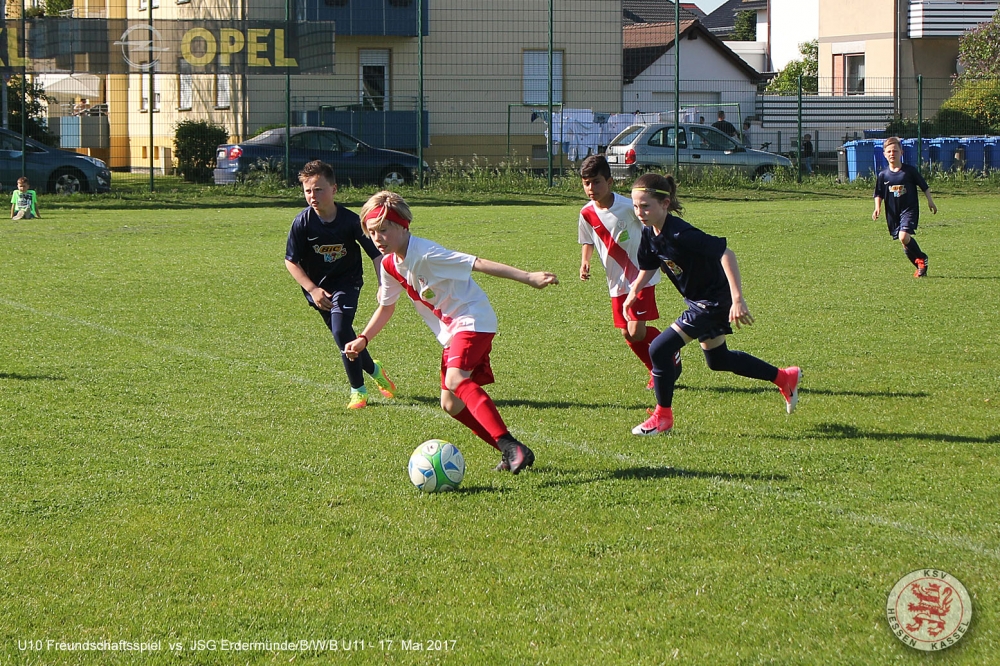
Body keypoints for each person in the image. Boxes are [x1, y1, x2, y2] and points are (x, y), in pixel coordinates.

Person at [344, 191, 558, 474]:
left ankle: (509, 445)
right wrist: (363, 338)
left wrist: (528, 277)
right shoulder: (388, 265)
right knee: (450, 404)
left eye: (384, 230)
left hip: (472, 318)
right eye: (372, 232)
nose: (377, 238)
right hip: (453, 329)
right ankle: (511, 452)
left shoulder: (426, 253)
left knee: (456, 380)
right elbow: (386, 307)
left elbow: (476, 263)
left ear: (403, 225)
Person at [623, 173, 801, 436]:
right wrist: (634, 291)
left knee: (659, 349)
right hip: (699, 300)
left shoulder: (681, 233)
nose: (640, 212)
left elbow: (726, 254)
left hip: (713, 302)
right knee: (718, 360)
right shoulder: (650, 233)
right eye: (636, 206)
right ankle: (784, 377)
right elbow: (649, 265)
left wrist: (738, 299)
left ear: (665, 204)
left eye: (646, 206)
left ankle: (662, 417)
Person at [284, 160, 396, 410]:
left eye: (318, 189)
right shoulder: (302, 223)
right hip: (319, 290)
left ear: (334, 189)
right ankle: (375, 370)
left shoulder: (350, 221)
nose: (312, 196)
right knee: (344, 335)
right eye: (308, 191)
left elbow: (376, 254)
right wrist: (312, 289)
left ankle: (358, 391)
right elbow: (291, 261)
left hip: (347, 282)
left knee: (340, 329)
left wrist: (383, 284)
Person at [578, 154, 679, 389]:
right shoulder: (586, 213)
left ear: (609, 181)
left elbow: (654, 226)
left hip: (641, 275)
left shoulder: (628, 207)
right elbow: (587, 240)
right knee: (627, 333)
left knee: (637, 331)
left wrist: (663, 257)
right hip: (615, 279)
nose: (591, 188)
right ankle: (655, 369)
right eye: (586, 183)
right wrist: (585, 261)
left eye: (596, 182)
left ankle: (669, 351)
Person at [872, 136, 937, 278]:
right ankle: (920, 267)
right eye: (889, 151)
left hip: (909, 209)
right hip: (893, 213)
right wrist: (877, 208)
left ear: (901, 152)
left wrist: (930, 201)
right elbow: (878, 193)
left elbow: (924, 186)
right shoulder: (883, 175)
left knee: (903, 237)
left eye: (895, 151)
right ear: (884, 154)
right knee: (904, 243)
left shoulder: (909, 171)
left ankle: (922, 258)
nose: (892, 154)